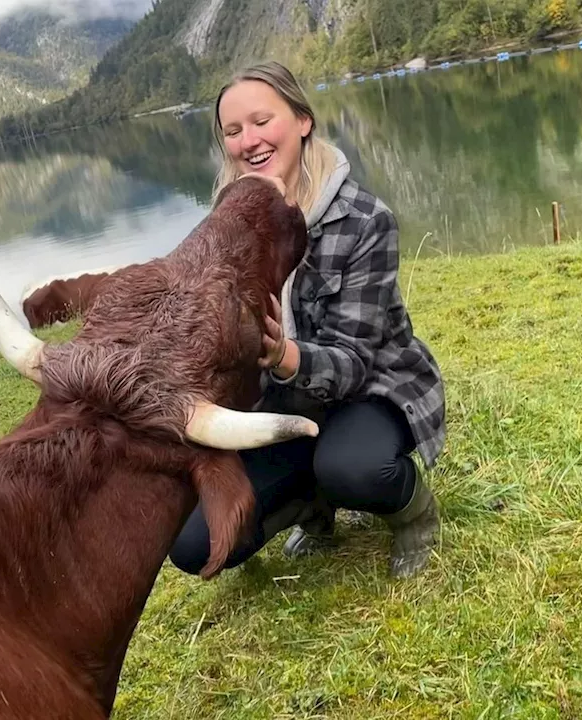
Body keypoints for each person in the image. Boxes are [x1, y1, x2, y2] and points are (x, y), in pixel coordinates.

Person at [167, 61, 447, 579]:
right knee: (193, 543)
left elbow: (356, 363)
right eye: (233, 131)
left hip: (371, 392)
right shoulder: (220, 228)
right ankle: (310, 503)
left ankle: (412, 510)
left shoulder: (365, 220)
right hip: (282, 404)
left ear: (302, 120)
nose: (248, 141)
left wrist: (283, 354)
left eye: (261, 121)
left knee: (351, 468)